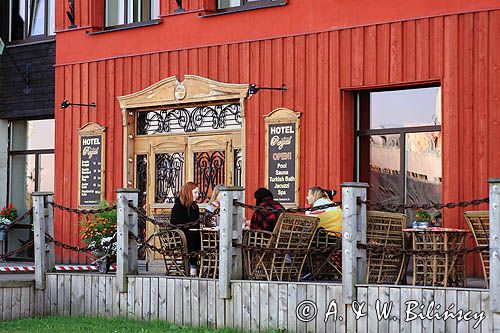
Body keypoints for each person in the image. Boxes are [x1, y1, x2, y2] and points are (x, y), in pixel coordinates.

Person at [171, 182, 201, 277]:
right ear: (188, 192)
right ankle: (193, 266)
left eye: (198, 193)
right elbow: (180, 224)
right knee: (193, 237)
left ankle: (205, 265)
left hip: (192, 234)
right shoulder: (178, 206)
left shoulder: (194, 207)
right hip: (179, 236)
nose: (198, 195)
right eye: (195, 192)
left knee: (200, 236)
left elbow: (196, 223)